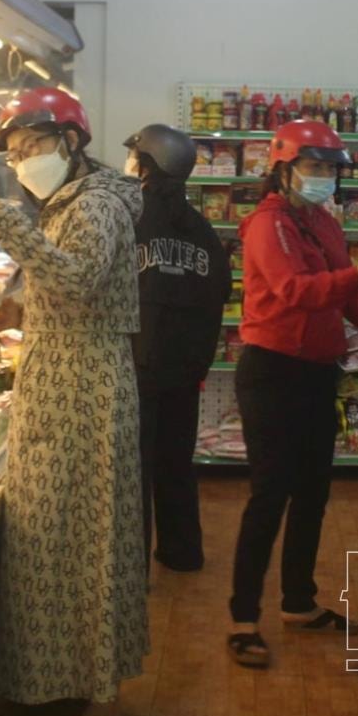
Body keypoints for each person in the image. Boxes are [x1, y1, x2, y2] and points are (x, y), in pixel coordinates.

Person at [0, 88, 147, 716]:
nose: (20, 160)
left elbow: (79, 280)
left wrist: (2, 220)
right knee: (62, 543)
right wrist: (18, 306)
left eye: (29, 146)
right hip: (66, 386)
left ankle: (62, 694)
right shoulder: (68, 202)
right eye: (11, 153)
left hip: (80, 396)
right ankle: (57, 686)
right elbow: (63, 287)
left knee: (68, 542)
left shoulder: (93, 204)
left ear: (68, 141)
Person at [225, 119, 358, 669]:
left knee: (314, 494)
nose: (324, 177)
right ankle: (243, 618)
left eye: (330, 169)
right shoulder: (266, 224)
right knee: (269, 496)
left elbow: (349, 295)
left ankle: (298, 602)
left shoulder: (323, 221)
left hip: (318, 372)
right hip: (272, 373)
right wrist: (356, 275)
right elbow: (295, 291)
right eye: (314, 167)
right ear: (284, 168)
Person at [125, 124, 232, 573]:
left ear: (145, 165)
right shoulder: (203, 231)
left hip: (137, 367)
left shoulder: (128, 219)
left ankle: (133, 573)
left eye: (135, 159)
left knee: (135, 471)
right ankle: (182, 553)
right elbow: (222, 291)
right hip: (187, 372)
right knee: (175, 465)